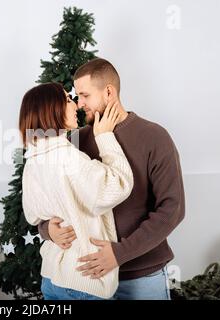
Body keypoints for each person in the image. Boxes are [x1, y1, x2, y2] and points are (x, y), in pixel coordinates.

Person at [38, 57, 186, 300]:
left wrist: (119, 253)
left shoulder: (154, 137)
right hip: (87, 281)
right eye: (76, 96)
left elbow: (172, 208)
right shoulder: (74, 141)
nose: (79, 103)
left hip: (140, 279)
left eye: (85, 95)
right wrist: (46, 229)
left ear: (108, 92)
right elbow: (43, 193)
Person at [19, 82, 134, 299]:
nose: (76, 106)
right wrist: (104, 136)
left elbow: (33, 215)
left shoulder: (33, 160)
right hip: (84, 279)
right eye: (68, 100)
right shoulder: (67, 156)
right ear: (52, 109)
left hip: (52, 278)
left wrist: (48, 229)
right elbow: (118, 186)